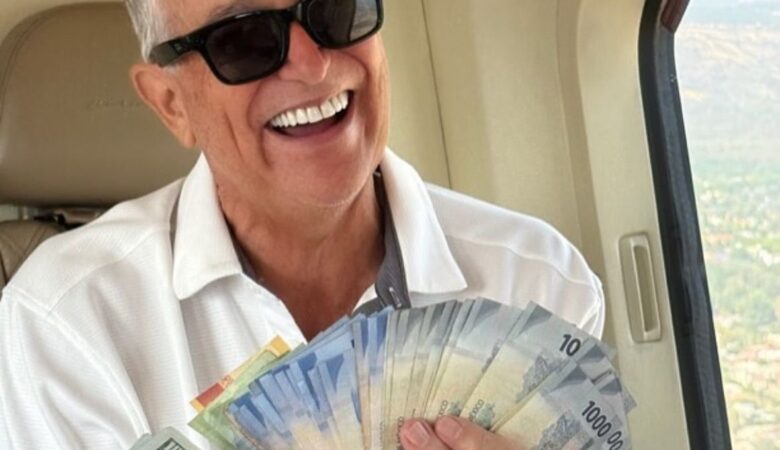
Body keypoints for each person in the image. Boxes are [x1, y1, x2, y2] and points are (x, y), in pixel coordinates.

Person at [0, 0, 605, 449]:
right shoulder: (64, 325)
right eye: (243, 39)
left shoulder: (538, 284)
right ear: (171, 104)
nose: (313, 66)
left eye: (336, 10)